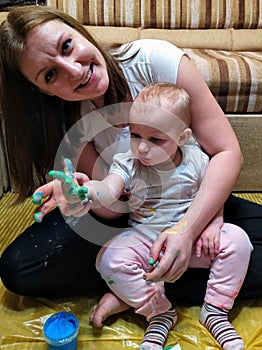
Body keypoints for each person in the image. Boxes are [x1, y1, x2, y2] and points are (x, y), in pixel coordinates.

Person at [0, 5, 261, 329]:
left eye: (67, 46)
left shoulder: (155, 60)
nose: (75, 70)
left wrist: (189, 229)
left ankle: (131, 286)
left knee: (238, 244)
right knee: (18, 268)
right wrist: (84, 195)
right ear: (41, 89)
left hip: (189, 194)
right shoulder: (68, 122)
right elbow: (115, 208)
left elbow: (225, 152)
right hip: (135, 216)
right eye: (50, 74)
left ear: (79, 30)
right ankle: (137, 280)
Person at [51, 83, 252, 350]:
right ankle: (159, 313)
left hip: (191, 240)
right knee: (108, 259)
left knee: (239, 241)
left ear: (182, 137)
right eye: (135, 135)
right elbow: (109, 189)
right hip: (145, 240)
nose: (142, 148)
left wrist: (215, 224)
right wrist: (85, 190)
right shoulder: (127, 163)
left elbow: (212, 195)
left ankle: (215, 311)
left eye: (155, 140)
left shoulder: (197, 159)